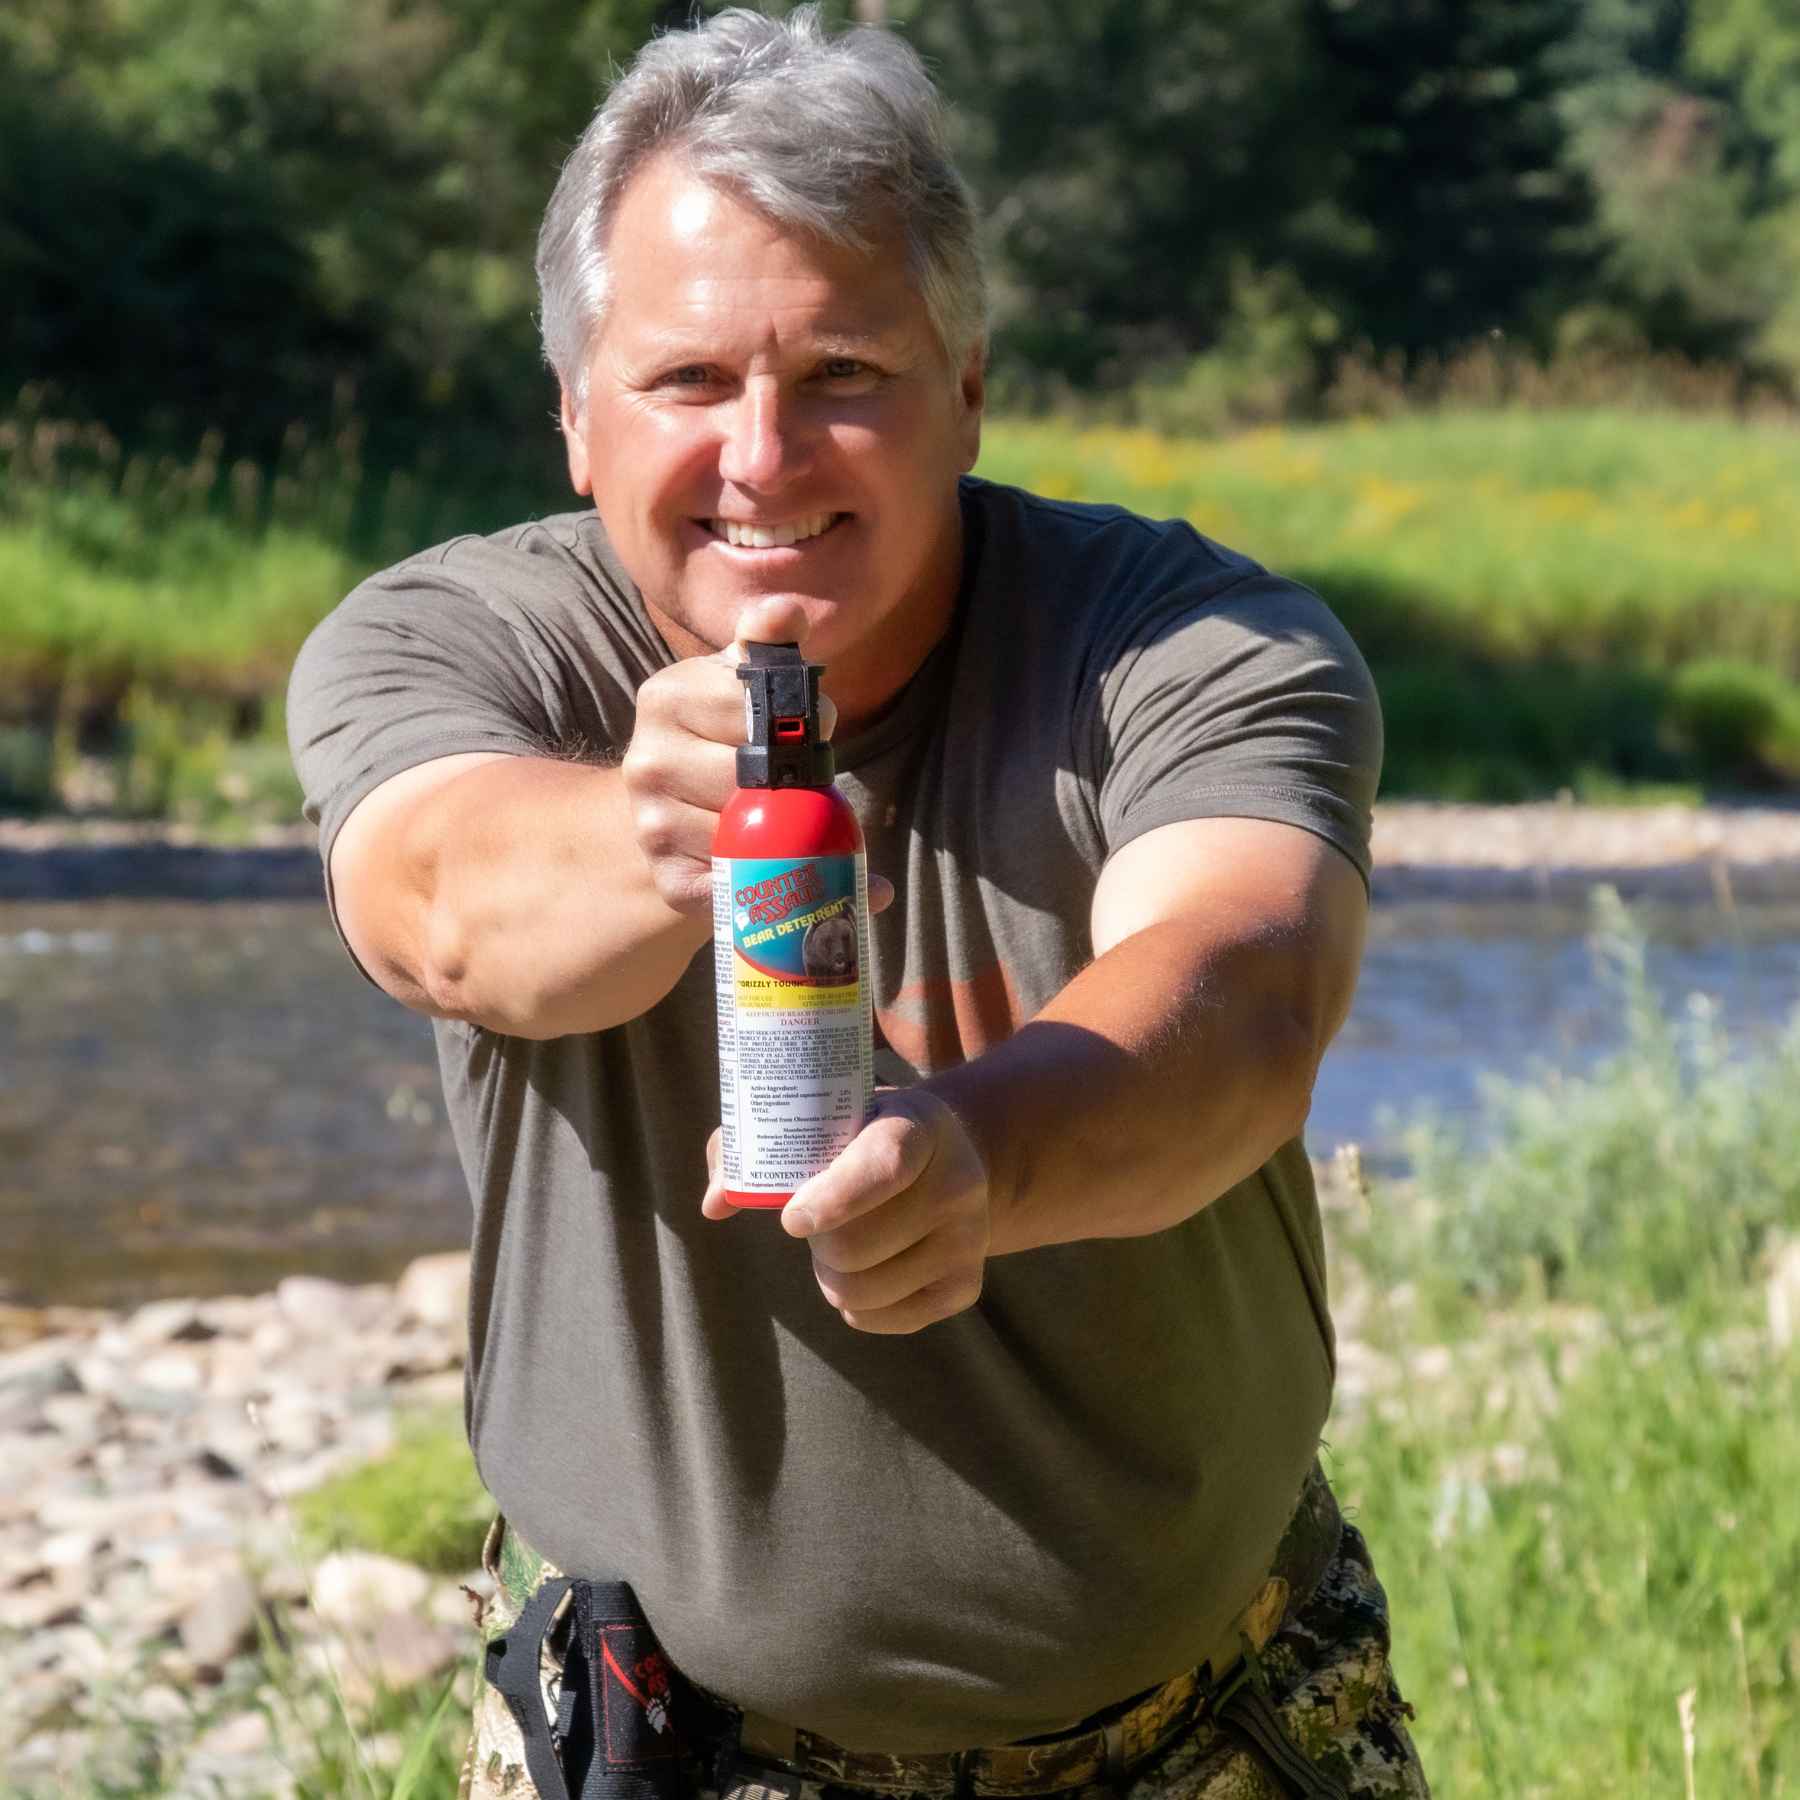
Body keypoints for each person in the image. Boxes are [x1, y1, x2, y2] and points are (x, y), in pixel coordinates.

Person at [286, 8, 1429, 1798]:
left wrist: (984, 1160)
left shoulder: (1194, 638)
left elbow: (1250, 990)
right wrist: (644, 843)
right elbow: (438, 907)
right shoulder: (451, 641)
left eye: (844, 375)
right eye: (684, 383)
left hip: (1218, 1715)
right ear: (576, 418)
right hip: (675, 1739)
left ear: (965, 389)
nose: (765, 456)